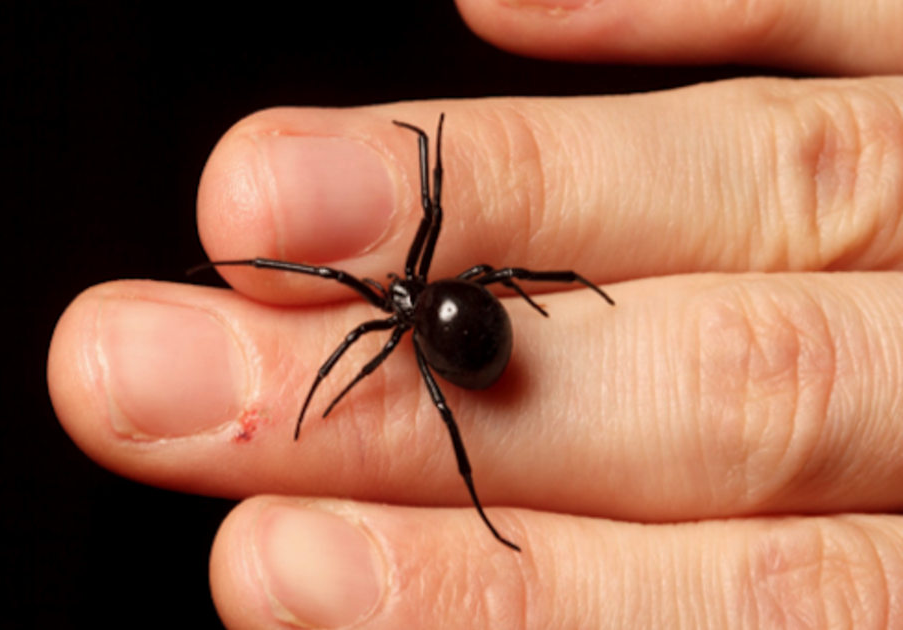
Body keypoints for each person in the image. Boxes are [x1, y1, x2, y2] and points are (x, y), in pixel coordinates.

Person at [49, 0, 903, 626]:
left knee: (443, 325)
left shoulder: (404, 316)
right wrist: (321, 387)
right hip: (465, 326)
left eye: (398, 291)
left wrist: (442, 165)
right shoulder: (405, 314)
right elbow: (395, 278)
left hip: (470, 329)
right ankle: (484, 482)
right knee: (432, 365)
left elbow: (429, 219)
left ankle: (498, 437)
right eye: (395, 296)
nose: (389, 293)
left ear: (407, 291)